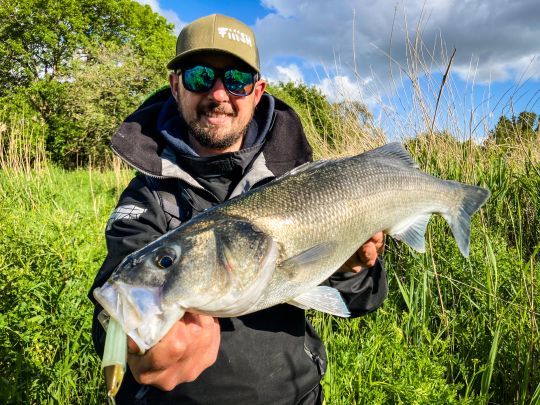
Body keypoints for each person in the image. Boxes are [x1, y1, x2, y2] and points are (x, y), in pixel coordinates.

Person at [89, 13, 388, 404]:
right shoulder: (148, 194)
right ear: (176, 85)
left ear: (258, 90)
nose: (218, 95)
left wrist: (353, 270)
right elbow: (119, 287)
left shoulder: (304, 181)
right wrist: (134, 345)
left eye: (236, 80)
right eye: (199, 77)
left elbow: (362, 300)